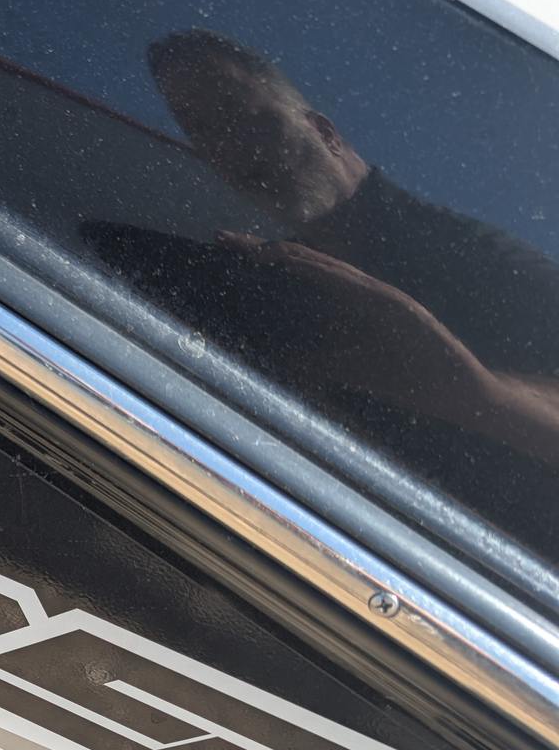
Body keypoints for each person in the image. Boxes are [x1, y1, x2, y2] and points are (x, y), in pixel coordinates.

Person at [136, 29, 559, 465]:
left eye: (240, 114)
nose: (231, 147)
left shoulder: (475, 253)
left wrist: (477, 393)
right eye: (203, 131)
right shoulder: (269, 285)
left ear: (326, 133)